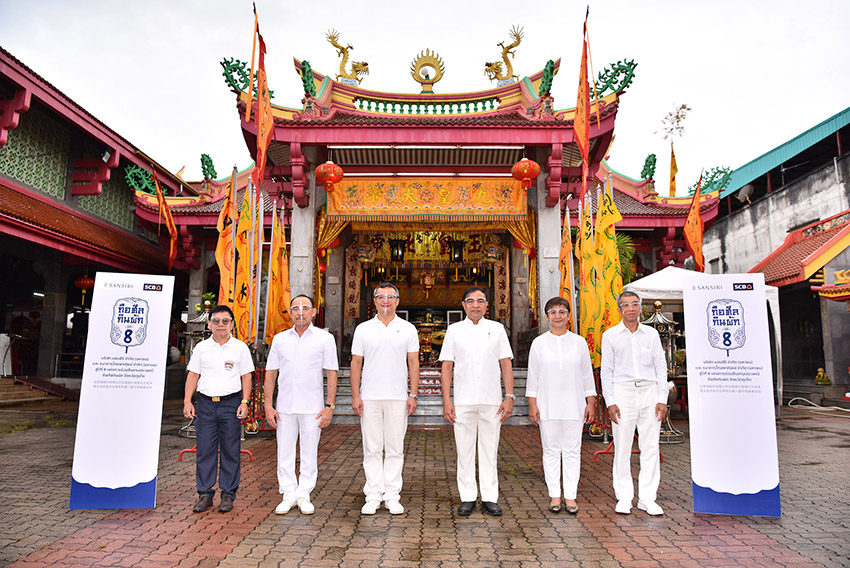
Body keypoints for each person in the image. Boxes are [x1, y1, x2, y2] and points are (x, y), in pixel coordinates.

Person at [440, 286, 514, 516]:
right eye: (470, 301)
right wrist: (446, 400)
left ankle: (490, 497)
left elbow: (505, 363)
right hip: (463, 400)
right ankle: (468, 497)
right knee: (464, 450)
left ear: (486, 306)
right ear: (463, 305)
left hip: (491, 399)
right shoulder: (454, 330)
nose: (475, 305)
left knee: (489, 450)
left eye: (480, 301)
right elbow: (447, 366)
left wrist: (509, 396)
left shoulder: (497, 329)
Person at [264, 294, 339, 515]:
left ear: (314, 312)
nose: (300, 312)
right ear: (289, 312)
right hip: (285, 406)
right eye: (295, 308)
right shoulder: (280, 339)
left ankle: (304, 493)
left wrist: (330, 406)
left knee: (309, 453)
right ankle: (288, 494)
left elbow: (332, 373)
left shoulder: (324, 339)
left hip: (313, 407)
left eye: (305, 308)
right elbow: (270, 373)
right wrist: (268, 405)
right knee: (284, 452)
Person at [350, 283, 420, 515]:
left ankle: (391, 495)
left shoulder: (408, 329)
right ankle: (372, 494)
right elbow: (356, 363)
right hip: (370, 396)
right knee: (372, 448)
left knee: (394, 448)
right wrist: (356, 395)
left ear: (398, 301)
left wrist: (413, 394)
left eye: (390, 297)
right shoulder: (363, 329)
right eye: (381, 297)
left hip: (398, 397)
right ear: (375, 301)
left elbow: (413, 363)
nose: (386, 301)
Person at [601, 290, 668, 516]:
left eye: (634, 304)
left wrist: (662, 398)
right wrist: (610, 401)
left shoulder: (651, 334)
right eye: (626, 305)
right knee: (622, 447)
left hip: (649, 391)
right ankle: (624, 496)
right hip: (623, 392)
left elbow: (661, 367)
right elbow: (606, 371)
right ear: (619, 309)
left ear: (640, 308)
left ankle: (648, 498)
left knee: (650, 446)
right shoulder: (610, 335)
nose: (630, 308)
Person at [527, 297, 596, 515]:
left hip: (574, 405)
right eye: (553, 312)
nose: (558, 315)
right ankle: (555, 496)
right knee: (550, 451)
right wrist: (532, 404)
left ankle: (571, 497)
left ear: (568, 316)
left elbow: (587, 374)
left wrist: (590, 402)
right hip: (547, 405)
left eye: (562, 312)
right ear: (546, 316)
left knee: (573, 451)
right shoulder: (538, 343)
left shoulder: (579, 342)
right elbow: (533, 376)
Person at [183, 305, 254, 513]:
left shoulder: (240, 348)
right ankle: (205, 493)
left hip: (231, 404)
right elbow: (193, 375)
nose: (220, 325)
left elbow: (246, 376)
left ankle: (228, 494)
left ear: (231, 324)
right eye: (216, 321)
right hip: (205, 404)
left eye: (225, 321)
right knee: (205, 450)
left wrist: (245, 402)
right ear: (209, 324)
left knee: (231, 450)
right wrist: (188, 401)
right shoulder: (201, 348)